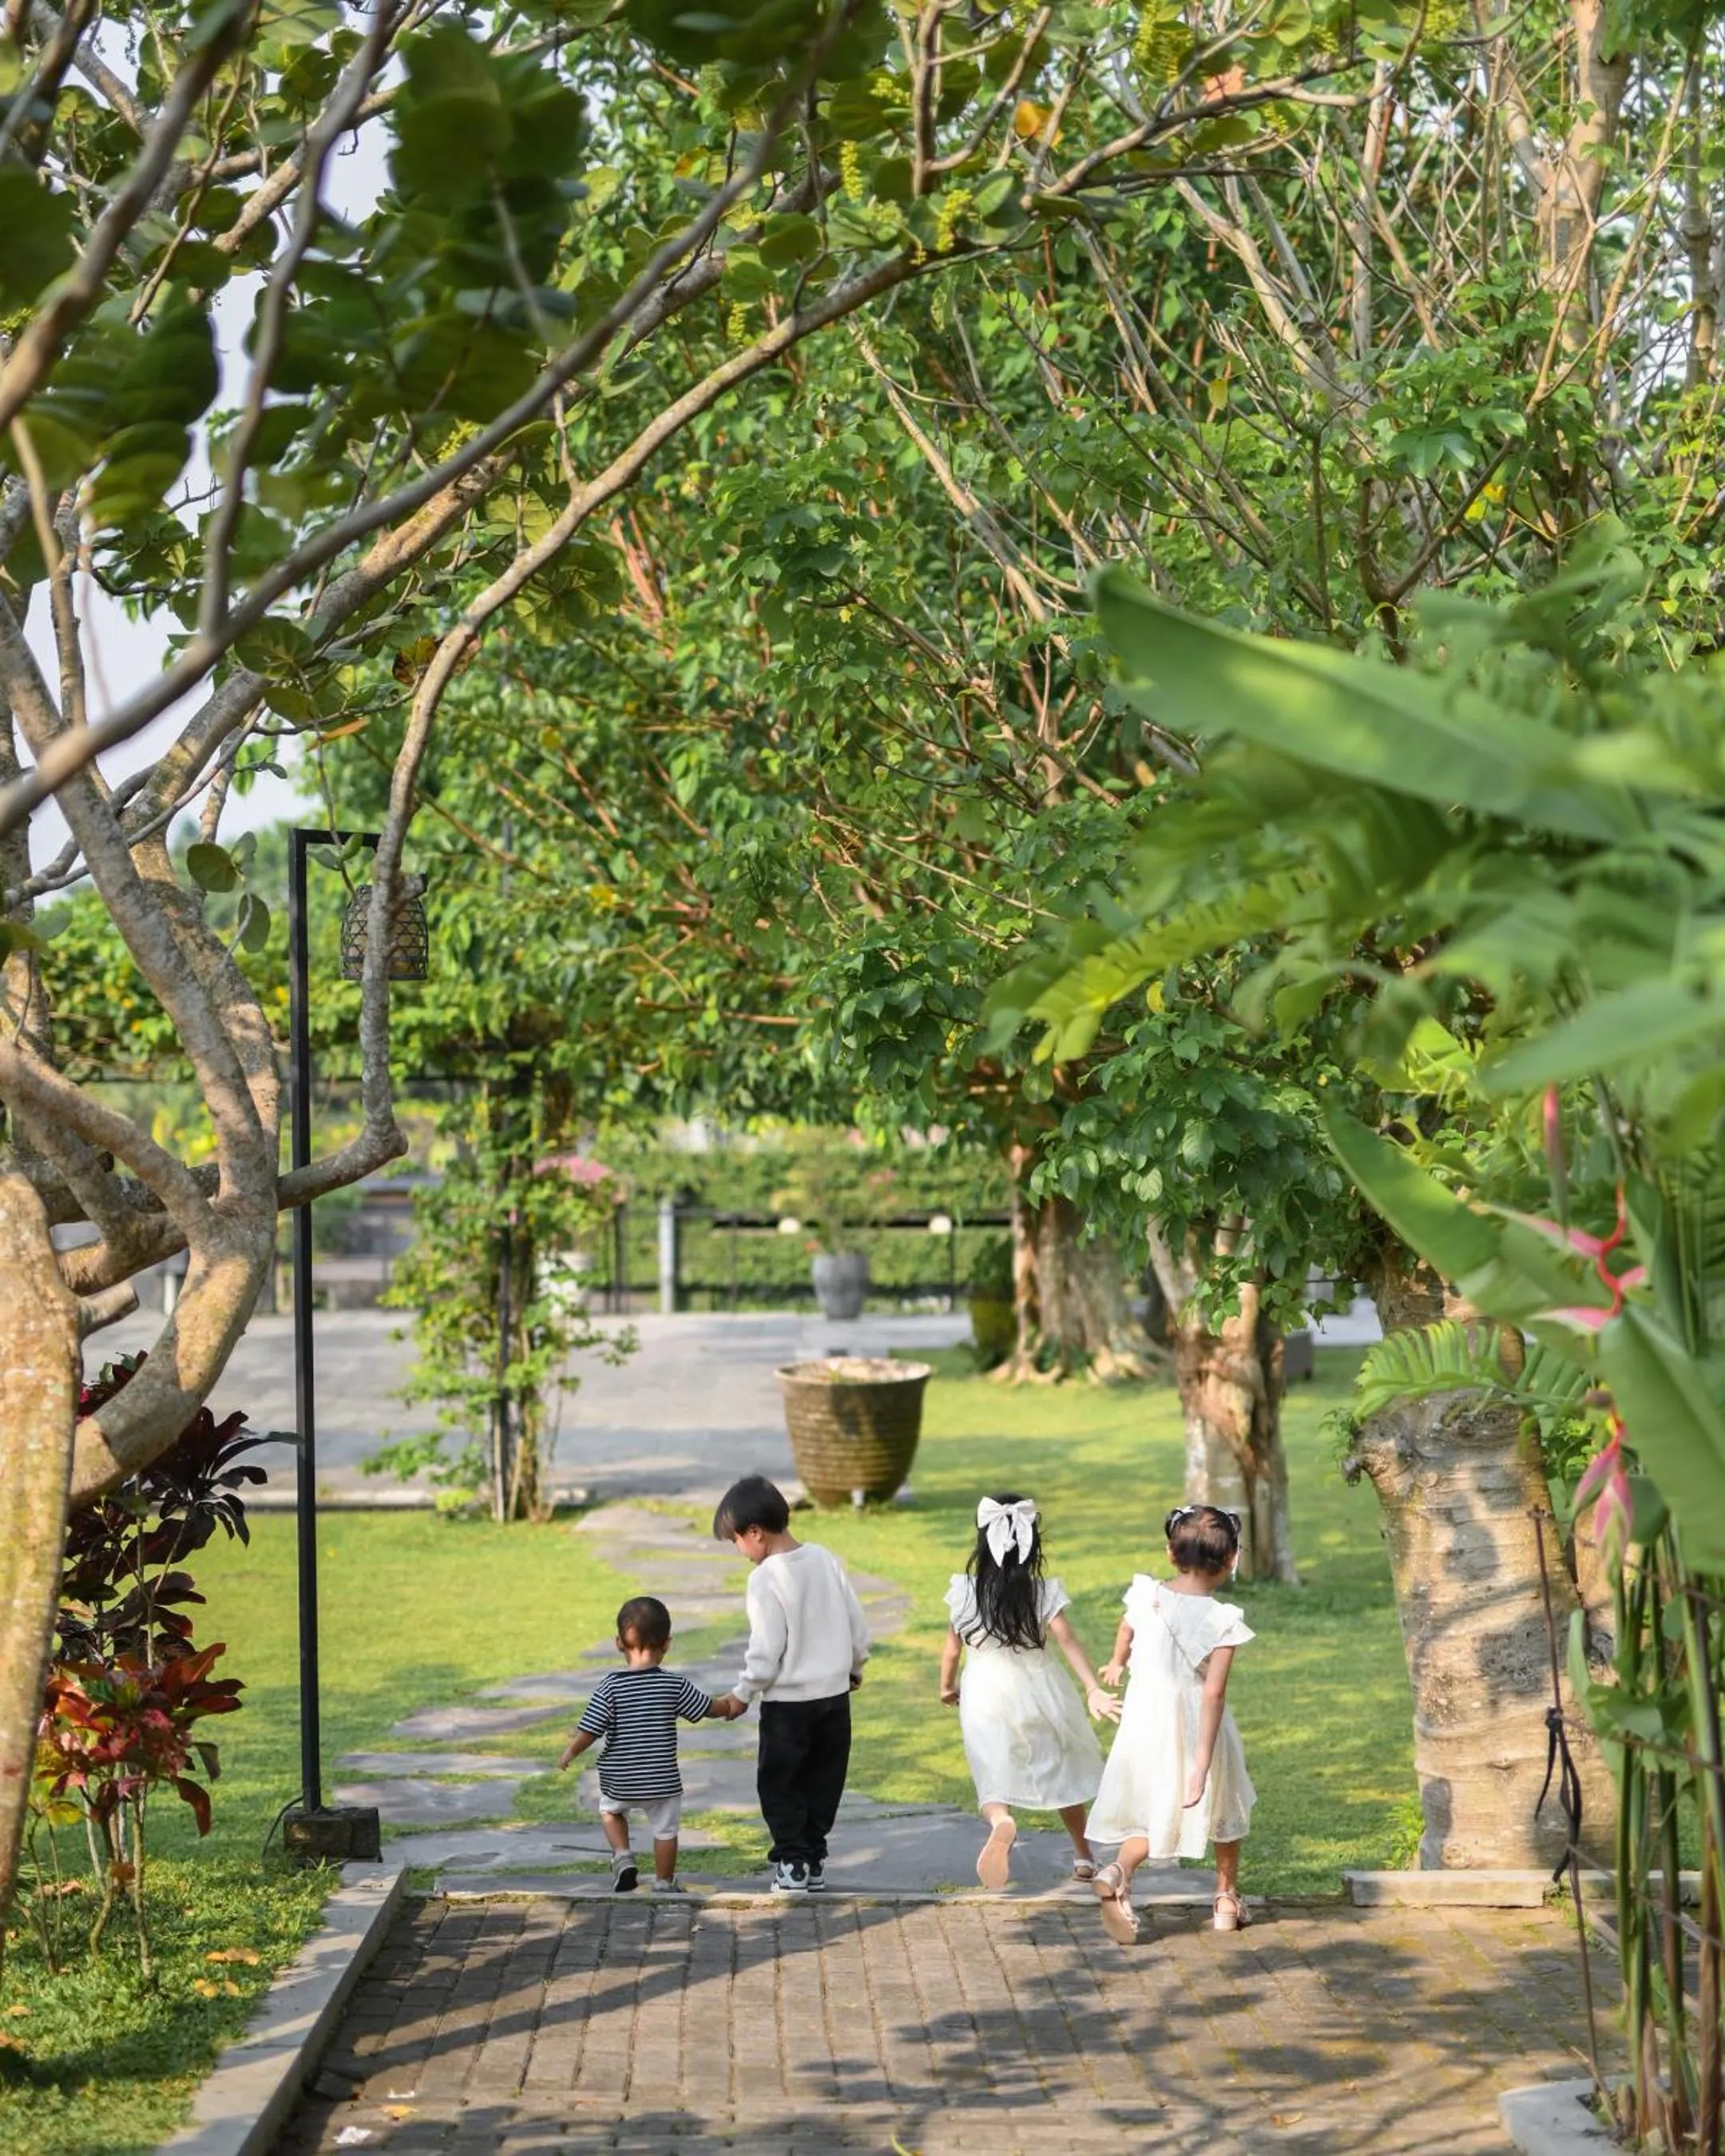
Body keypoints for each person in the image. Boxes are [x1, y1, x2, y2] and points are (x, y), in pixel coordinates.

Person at [1086, 1503, 1256, 1943]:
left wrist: (1115, 1664)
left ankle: (1118, 1869)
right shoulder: (1224, 1621)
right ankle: (1224, 1899)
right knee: (1223, 1803)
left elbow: (1126, 1631)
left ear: (1170, 1553)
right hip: (1194, 1724)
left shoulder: (1146, 1594)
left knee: (1151, 1808)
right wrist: (1201, 1763)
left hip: (1145, 1722)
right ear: (1232, 1559)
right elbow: (1214, 1692)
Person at [939, 1492, 1116, 1890]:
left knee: (992, 1768)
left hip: (985, 1692)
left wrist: (946, 1687)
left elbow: (951, 1649)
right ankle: (1085, 1856)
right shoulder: (1041, 1592)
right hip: (1041, 1690)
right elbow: (1069, 1642)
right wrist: (1091, 1689)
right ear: (1032, 1543)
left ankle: (1001, 1820)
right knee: (1059, 1769)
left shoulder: (965, 1591)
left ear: (982, 1540)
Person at [712, 1473, 870, 1896]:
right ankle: (813, 1859)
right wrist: (855, 1665)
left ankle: (793, 1863)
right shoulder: (823, 1557)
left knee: (781, 1783)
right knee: (825, 1779)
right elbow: (856, 1620)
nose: (739, 1552)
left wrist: (743, 1694)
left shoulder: (766, 1578)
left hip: (788, 1706)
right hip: (835, 1698)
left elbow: (766, 1650)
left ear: (755, 1533)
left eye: (736, 1542)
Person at [557, 1594, 744, 1896]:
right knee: (666, 1831)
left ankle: (622, 1855)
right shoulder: (674, 1685)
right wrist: (730, 1706)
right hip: (661, 1780)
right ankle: (663, 1883)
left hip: (621, 1779)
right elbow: (708, 1708)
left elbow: (590, 1729)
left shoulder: (610, 1686)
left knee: (611, 1811)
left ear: (619, 1643)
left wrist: (570, 1751)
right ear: (667, 1643)